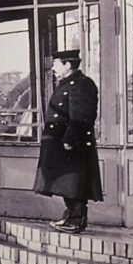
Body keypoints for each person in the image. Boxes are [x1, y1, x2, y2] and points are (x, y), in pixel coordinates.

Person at [33, 49, 103, 232]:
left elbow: (82, 115)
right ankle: (71, 215)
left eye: (56, 64)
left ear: (68, 65)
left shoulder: (82, 84)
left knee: (74, 182)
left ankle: (77, 219)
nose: (52, 68)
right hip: (61, 142)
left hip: (71, 143)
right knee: (65, 182)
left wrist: (71, 139)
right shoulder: (69, 84)